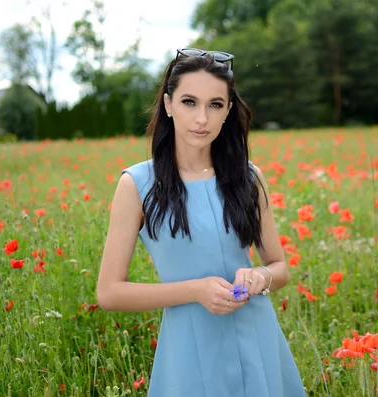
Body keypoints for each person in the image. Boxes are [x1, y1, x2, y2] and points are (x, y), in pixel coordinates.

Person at [96, 47, 306, 397]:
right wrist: (195, 291)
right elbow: (109, 293)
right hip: (189, 350)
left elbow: (279, 267)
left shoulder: (248, 178)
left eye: (215, 105)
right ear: (168, 104)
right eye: (189, 102)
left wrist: (260, 276)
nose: (202, 119)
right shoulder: (137, 184)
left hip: (259, 340)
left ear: (227, 112)